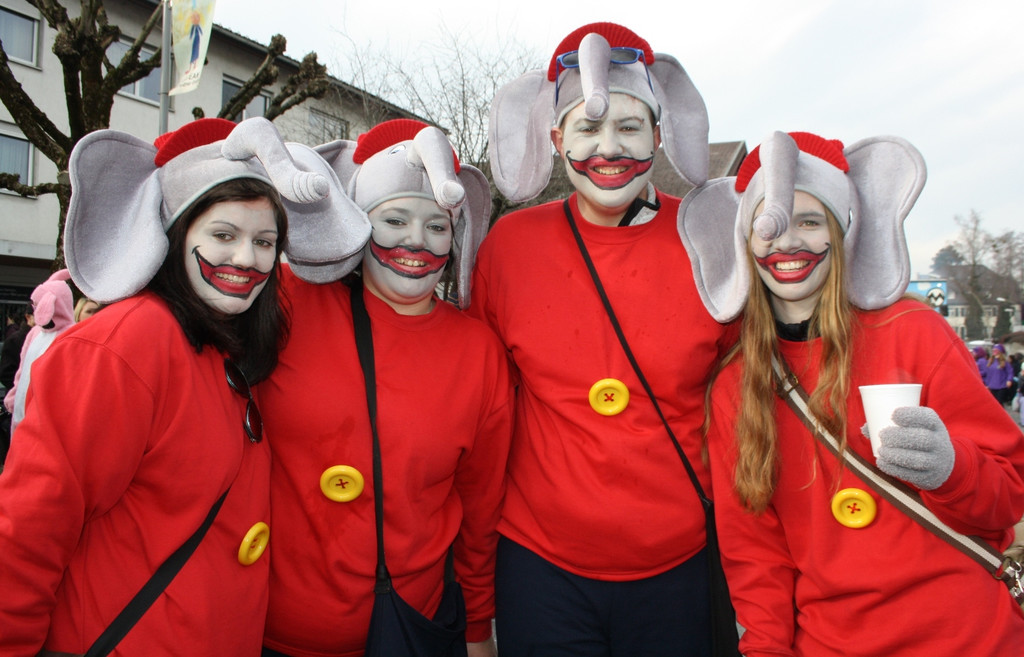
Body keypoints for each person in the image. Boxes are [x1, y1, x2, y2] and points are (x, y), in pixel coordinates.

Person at [0, 116, 353, 655]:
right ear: (176, 234)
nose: (247, 258)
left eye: (264, 241)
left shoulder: (229, 345)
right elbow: (29, 530)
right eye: (223, 235)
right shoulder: (126, 345)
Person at [680, 130, 1024, 656]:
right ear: (745, 243)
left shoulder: (914, 331)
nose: (786, 243)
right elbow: (755, 553)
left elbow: (1008, 495)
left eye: (809, 222)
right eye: (767, 225)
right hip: (832, 643)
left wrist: (952, 470)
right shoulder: (737, 382)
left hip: (968, 636)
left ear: (842, 233)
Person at [473, 21, 737, 657]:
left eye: (629, 126)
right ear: (557, 140)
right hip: (542, 569)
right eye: (588, 129)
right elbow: (480, 414)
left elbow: (746, 407)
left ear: (658, 135)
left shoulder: (709, 241)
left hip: (680, 567)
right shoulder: (509, 247)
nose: (609, 148)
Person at [259, 119, 512, 657]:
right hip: (271, 630)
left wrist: (478, 627)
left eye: (436, 226)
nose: (415, 241)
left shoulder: (478, 352)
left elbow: (480, 508)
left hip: (412, 628)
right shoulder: (286, 302)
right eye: (394, 220)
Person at [2, 269, 75, 436]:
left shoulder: (71, 336)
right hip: (21, 407)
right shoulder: (35, 333)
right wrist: (14, 393)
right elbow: (22, 368)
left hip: (47, 415)